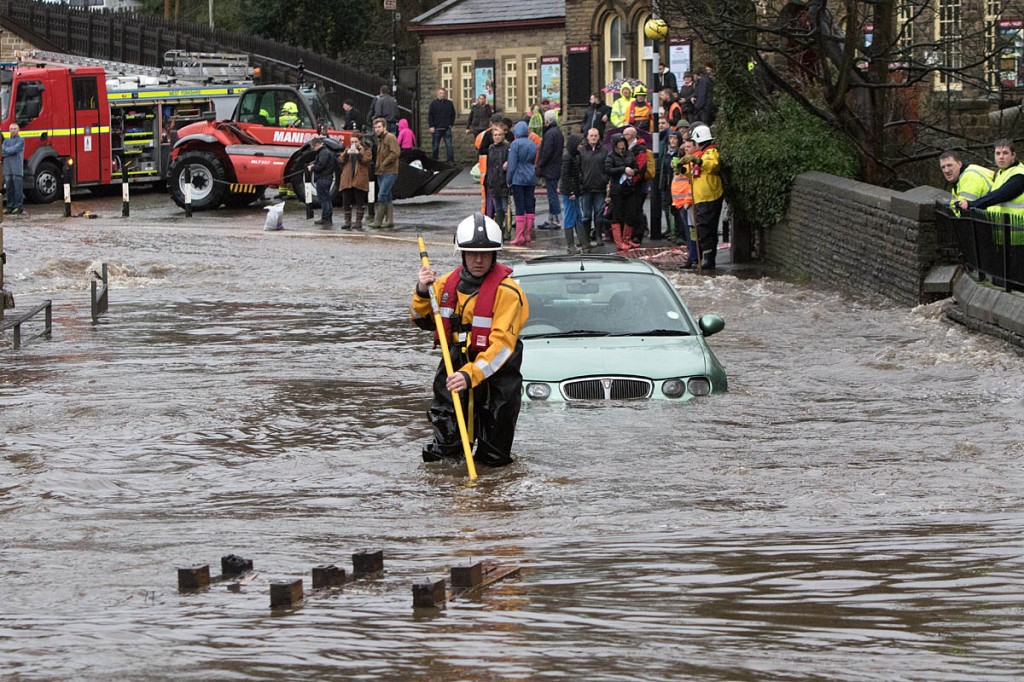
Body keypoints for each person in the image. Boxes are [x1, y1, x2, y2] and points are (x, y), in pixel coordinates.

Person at [411, 213, 529, 467]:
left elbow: (501, 347)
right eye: (472, 253)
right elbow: (421, 320)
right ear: (462, 254)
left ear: (494, 255)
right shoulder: (444, 285)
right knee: (444, 451)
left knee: (493, 458)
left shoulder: (508, 293)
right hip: (454, 366)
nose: (478, 259)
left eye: (485, 254)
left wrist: (471, 374)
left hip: (495, 376)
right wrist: (422, 291)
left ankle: (491, 499)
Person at [678, 124, 723, 269]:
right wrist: (682, 169)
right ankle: (706, 259)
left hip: (708, 198)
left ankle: (708, 260)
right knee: (702, 230)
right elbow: (695, 175)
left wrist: (697, 161)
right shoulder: (702, 154)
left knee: (706, 231)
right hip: (701, 198)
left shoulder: (711, 152)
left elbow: (712, 165)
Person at [604, 133, 641, 251]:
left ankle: (627, 239)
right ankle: (619, 242)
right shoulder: (611, 156)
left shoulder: (629, 154)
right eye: (619, 142)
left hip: (629, 188)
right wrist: (623, 169)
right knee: (617, 214)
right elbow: (608, 170)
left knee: (631, 213)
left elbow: (636, 167)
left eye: (622, 141)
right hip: (617, 189)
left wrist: (633, 171)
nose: (621, 144)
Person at [507, 120, 538, 246]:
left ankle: (519, 236)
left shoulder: (515, 144)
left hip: (518, 179)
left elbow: (512, 164)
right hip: (530, 177)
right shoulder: (533, 144)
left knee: (520, 207)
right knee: (529, 206)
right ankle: (528, 234)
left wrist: (508, 179)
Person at [368, 117, 400, 229]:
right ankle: (389, 220)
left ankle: (378, 220)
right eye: (375, 127)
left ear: (384, 127)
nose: (377, 129)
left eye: (379, 127)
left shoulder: (390, 137)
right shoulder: (380, 139)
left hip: (390, 171)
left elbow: (395, 153)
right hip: (380, 172)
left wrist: (384, 163)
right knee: (387, 195)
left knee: (382, 195)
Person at [559, 133, 588, 254]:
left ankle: (584, 243)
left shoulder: (575, 156)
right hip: (570, 192)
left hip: (574, 191)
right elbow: (566, 176)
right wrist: (571, 191)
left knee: (577, 216)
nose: (581, 146)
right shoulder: (568, 157)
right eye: (579, 144)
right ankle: (570, 245)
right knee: (570, 217)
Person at [579, 127, 608, 244]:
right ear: (587, 137)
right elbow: (578, 168)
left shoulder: (604, 152)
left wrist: (604, 180)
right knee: (586, 215)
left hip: (599, 187)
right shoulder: (581, 151)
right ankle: (586, 237)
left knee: (599, 214)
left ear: (599, 137)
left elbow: (607, 168)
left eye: (595, 135)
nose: (593, 138)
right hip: (585, 187)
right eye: (591, 135)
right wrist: (581, 180)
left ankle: (598, 236)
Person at [338, 132, 373, 230]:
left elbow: (366, 160)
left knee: (359, 201)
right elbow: (340, 160)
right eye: (352, 141)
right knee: (346, 201)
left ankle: (358, 222)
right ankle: (347, 222)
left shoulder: (366, 149)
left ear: (360, 141)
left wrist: (359, 154)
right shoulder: (347, 149)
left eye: (355, 141)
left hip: (359, 178)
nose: (353, 143)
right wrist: (346, 154)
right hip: (347, 178)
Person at [537, 109, 564, 229]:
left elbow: (546, 152)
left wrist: (540, 165)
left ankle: (556, 220)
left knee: (552, 194)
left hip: (550, 168)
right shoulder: (558, 132)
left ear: (547, 121)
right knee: (552, 194)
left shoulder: (549, 134)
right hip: (556, 166)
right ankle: (551, 219)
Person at [676, 135, 700, 268]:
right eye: (685, 147)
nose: (686, 150)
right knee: (689, 232)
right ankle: (692, 257)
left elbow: (692, 184)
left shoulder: (695, 160)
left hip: (689, 203)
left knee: (692, 231)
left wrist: (688, 201)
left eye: (689, 147)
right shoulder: (686, 160)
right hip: (682, 202)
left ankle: (694, 257)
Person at [484, 118, 512, 236]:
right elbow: (489, 165)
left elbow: (510, 163)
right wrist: (488, 180)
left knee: (506, 208)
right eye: (495, 135)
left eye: (500, 134)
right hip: (494, 181)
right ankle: (499, 230)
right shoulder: (491, 148)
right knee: (497, 209)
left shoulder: (507, 147)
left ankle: (507, 231)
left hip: (504, 181)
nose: (497, 137)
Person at [659, 126, 683, 242]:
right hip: (668, 185)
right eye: (671, 138)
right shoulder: (667, 153)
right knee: (671, 209)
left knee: (678, 211)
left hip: (677, 186)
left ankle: (680, 234)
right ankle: (674, 231)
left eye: (675, 139)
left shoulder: (679, 154)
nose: (672, 141)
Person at [307, 136, 335, 226]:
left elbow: (321, 166)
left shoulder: (323, 153)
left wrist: (312, 167)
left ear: (317, 144)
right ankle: (327, 217)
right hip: (326, 178)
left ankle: (326, 218)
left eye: (313, 147)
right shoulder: (325, 152)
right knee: (326, 198)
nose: (313, 149)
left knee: (324, 199)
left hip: (323, 178)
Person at [428, 88, 457, 162]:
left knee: (449, 145)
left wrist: (451, 124)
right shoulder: (434, 104)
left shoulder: (449, 103)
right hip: (436, 128)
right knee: (435, 146)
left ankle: (450, 161)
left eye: (443, 93)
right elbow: (430, 115)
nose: (442, 95)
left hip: (446, 127)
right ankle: (435, 161)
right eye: (440, 93)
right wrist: (431, 126)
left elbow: (453, 114)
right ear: (437, 94)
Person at [2, 123, 24, 215]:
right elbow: (3, 152)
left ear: (18, 130)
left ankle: (19, 207)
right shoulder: (6, 141)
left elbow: (14, 149)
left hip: (17, 169)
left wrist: (7, 150)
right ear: (9, 130)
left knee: (18, 189)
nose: (13, 130)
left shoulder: (21, 140)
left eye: (15, 129)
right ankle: (9, 207)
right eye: (11, 129)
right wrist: (9, 151)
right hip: (7, 169)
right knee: (9, 190)